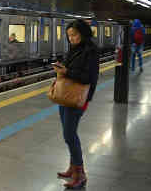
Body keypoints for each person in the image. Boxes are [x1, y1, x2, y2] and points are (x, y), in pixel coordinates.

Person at [52, 19, 99, 189]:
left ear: (83, 34)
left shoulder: (91, 51)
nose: (71, 38)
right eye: (69, 35)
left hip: (78, 98)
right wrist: (61, 68)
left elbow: (89, 78)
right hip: (65, 96)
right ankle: (73, 168)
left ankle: (80, 173)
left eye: (75, 35)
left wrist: (67, 71)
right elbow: (71, 69)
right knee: (68, 133)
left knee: (69, 135)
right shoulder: (73, 49)